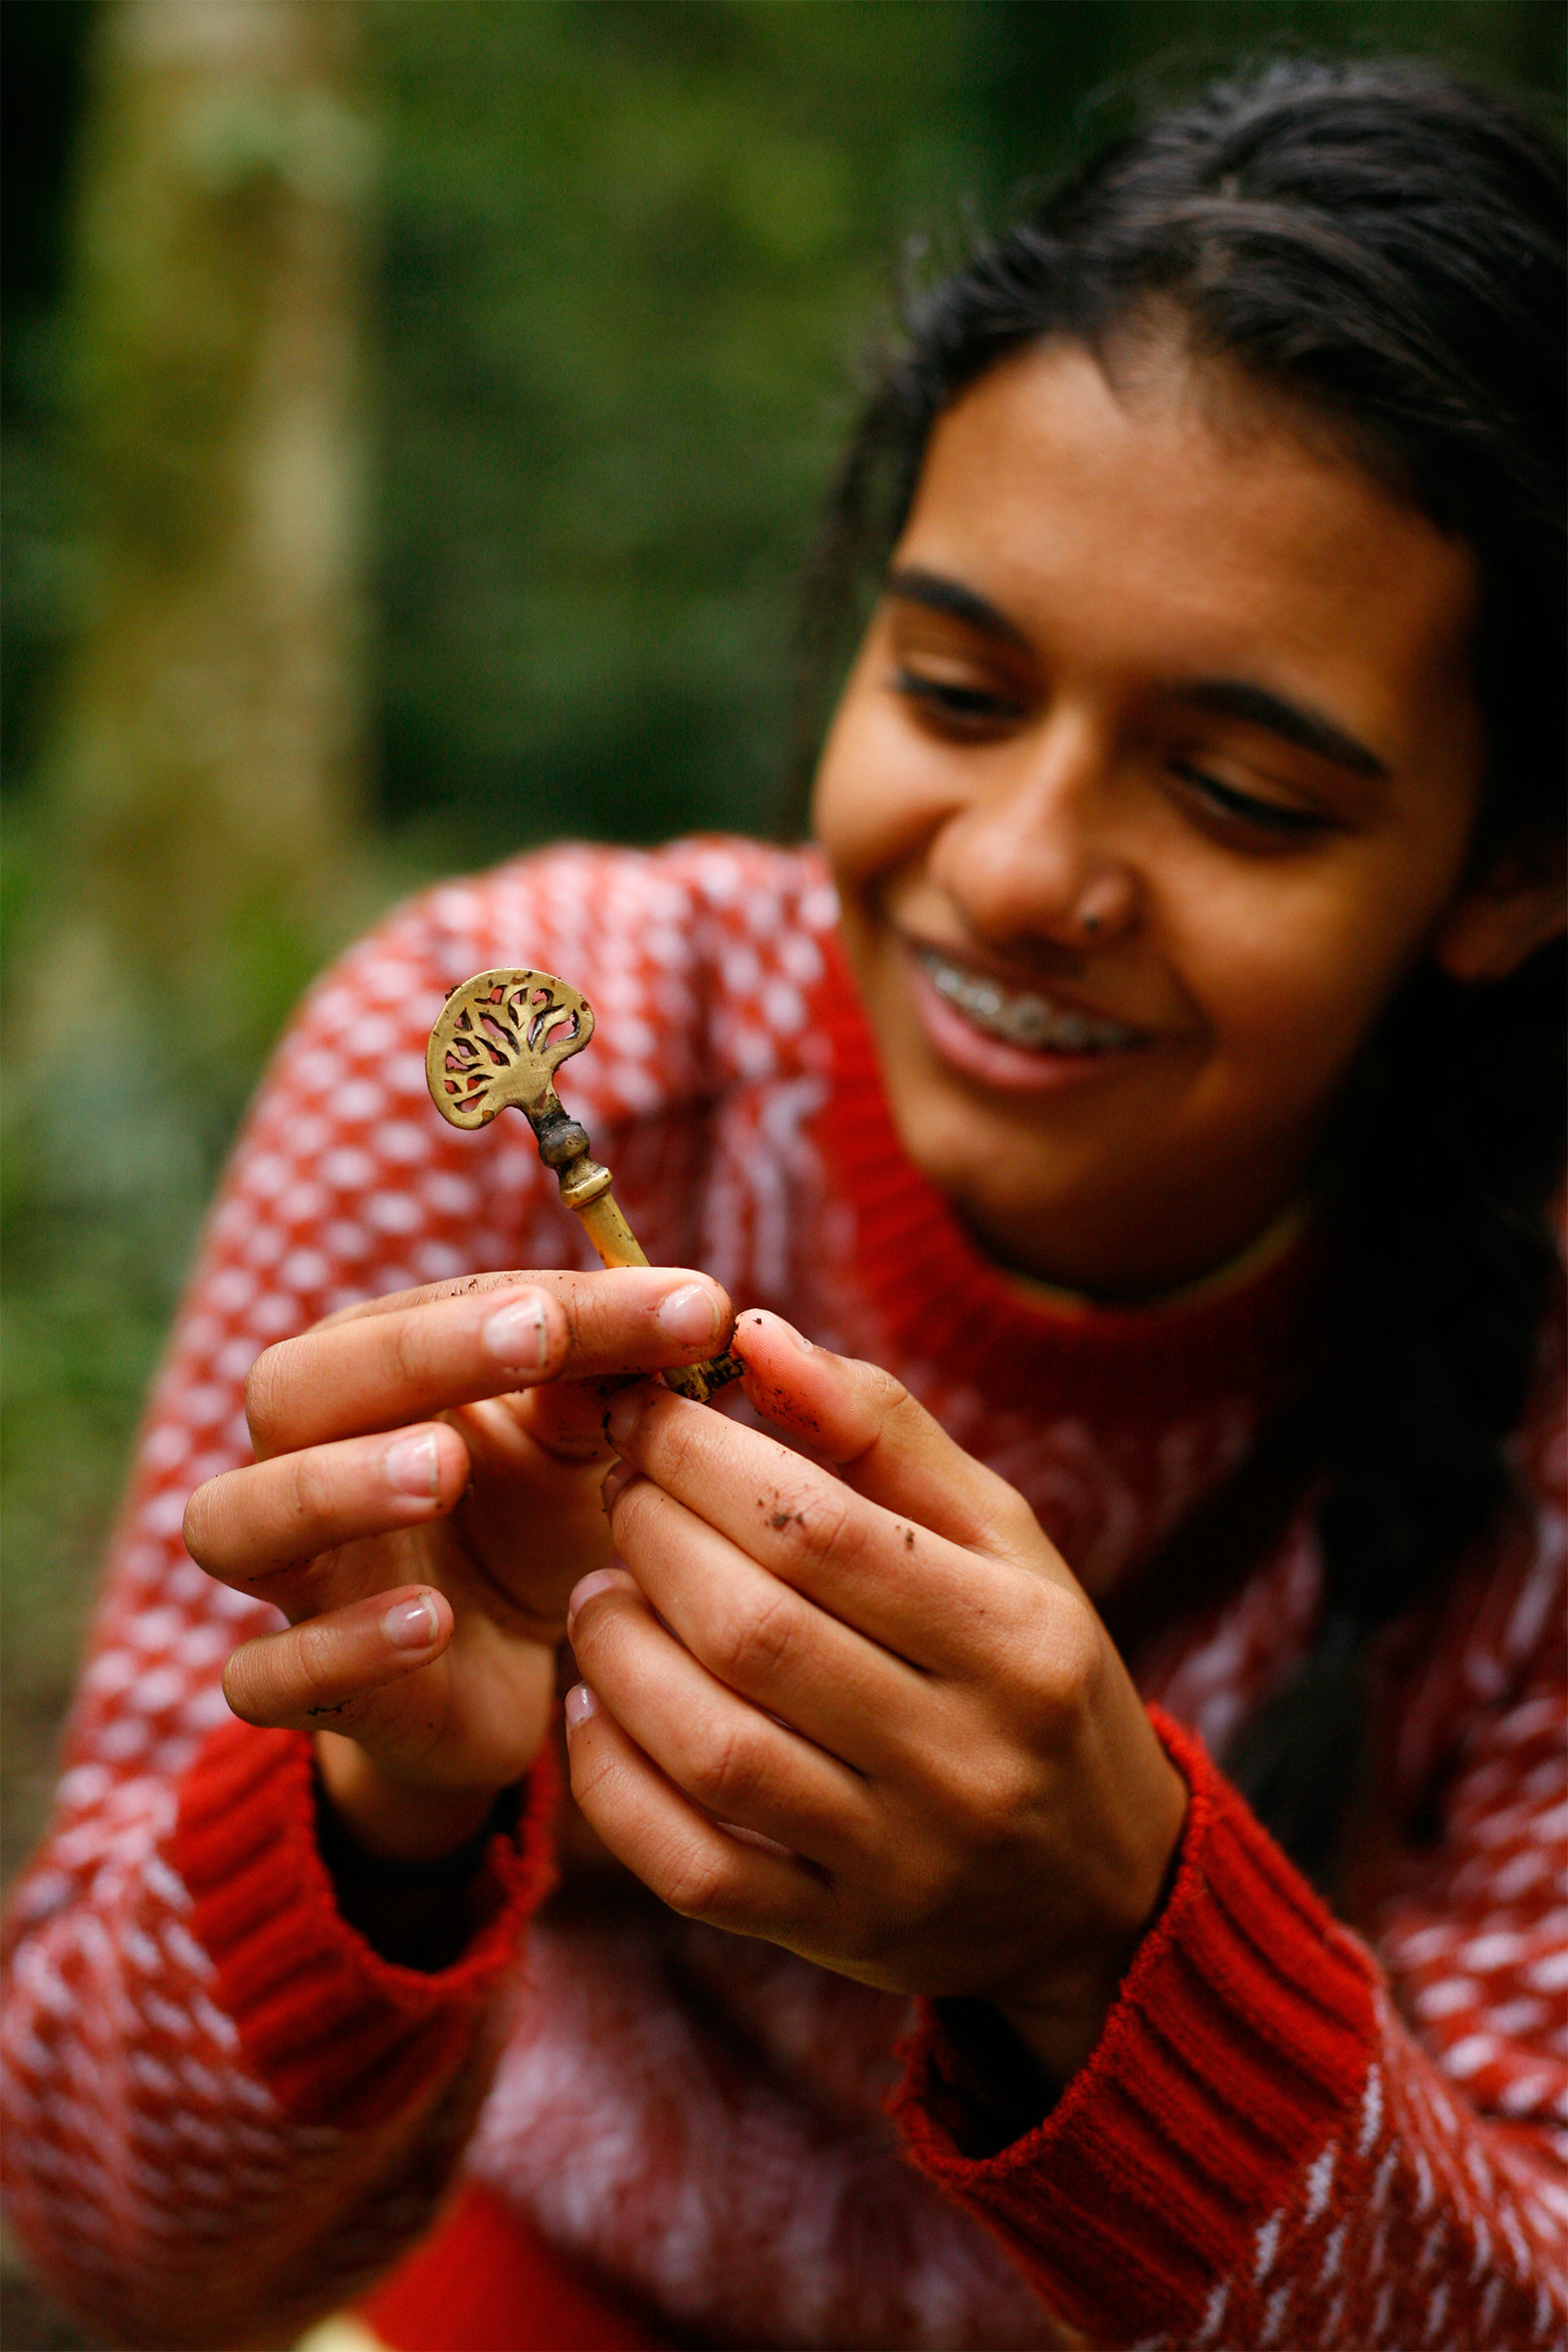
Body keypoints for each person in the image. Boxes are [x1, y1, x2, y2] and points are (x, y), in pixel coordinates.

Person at [3, 56, 1564, 2352]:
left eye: (1234, 792)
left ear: (1510, 866)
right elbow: (104, 2224)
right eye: (951, 684)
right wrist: (381, 1801)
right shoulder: (500, 1050)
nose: (1019, 870)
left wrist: (1101, 1927)